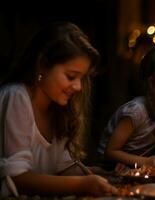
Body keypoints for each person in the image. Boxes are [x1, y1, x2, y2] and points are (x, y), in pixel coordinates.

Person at [0, 22, 118, 197]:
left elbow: (62, 169)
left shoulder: (59, 109)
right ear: (41, 64)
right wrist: (83, 184)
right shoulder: (16, 96)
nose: (78, 87)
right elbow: (17, 178)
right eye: (71, 76)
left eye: (82, 78)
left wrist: (105, 175)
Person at [97, 45, 155, 171]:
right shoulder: (136, 111)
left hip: (139, 170)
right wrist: (146, 162)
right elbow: (111, 152)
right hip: (109, 171)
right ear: (154, 83)